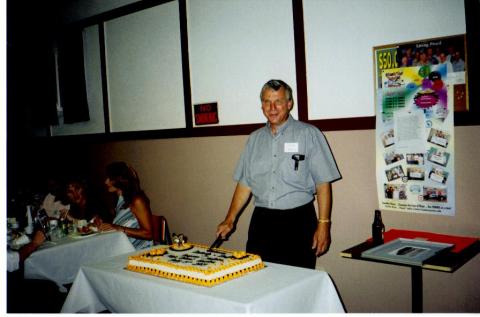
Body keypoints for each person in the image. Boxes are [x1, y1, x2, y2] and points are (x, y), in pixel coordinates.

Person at [215, 79, 341, 269]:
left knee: (297, 283)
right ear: (261, 105)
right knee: (258, 279)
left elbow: (323, 183)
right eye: (267, 101)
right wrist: (229, 219)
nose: (272, 107)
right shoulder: (254, 139)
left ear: (289, 104)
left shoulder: (309, 134)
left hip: (298, 222)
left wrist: (324, 224)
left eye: (278, 101)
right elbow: (245, 183)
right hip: (262, 222)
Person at [97, 162, 153, 249]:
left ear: (120, 179)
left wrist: (119, 228)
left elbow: (148, 234)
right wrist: (103, 224)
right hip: (123, 247)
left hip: (139, 250)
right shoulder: (120, 199)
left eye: (110, 178)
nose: (106, 182)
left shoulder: (137, 201)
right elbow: (122, 222)